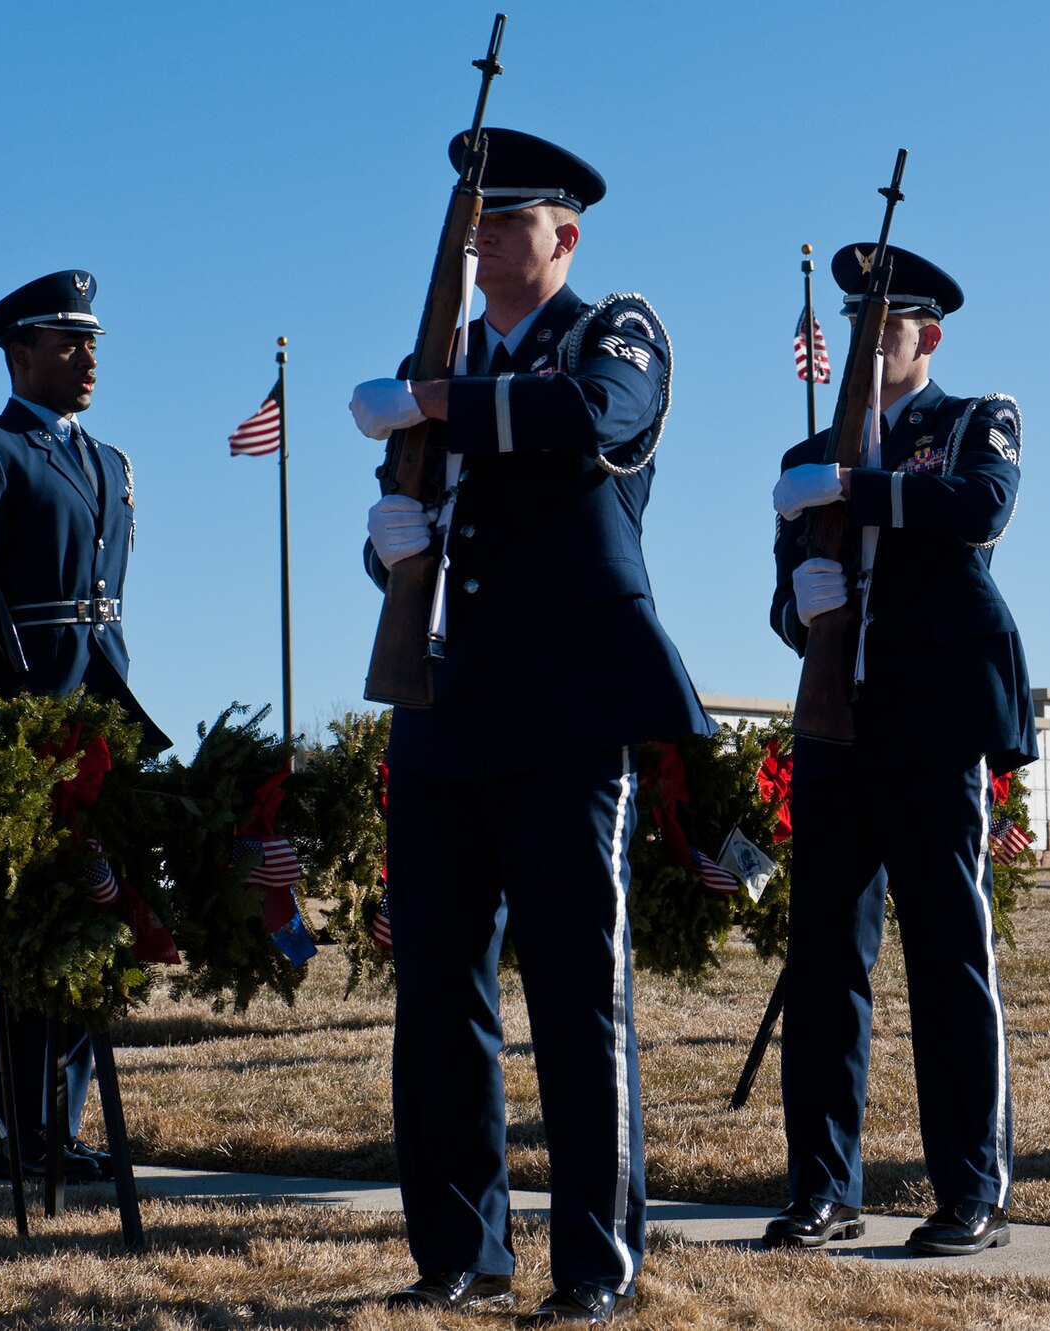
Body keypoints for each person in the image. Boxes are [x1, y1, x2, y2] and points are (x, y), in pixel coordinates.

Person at [348, 128, 711, 1327]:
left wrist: (435, 400)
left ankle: (594, 1265)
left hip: (565, 707)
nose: (487, 229)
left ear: (567, 232)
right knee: (440, 995)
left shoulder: (613, 326)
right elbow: (413, 521)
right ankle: (458, 1248)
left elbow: (591, 414)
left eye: (513, 214)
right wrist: (386, 541)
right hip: (445, 705)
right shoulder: (437, 358)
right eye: (477, 215)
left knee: (574, 988)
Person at [763, 244, 1036, 1256]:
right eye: (857, 326)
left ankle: (972, 1186)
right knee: (827, 958)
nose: (869, 344)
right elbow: (786, 590)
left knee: (948, 957)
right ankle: (822, 1187)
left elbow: (979, 507)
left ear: (928, 335)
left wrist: (857, 487)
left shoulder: (971, 417)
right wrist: (801, 604)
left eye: (889, 327)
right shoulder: (807, 453)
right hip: (836, 718)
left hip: (935, 718)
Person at [0, 269, 173, 1183]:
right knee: (24, 933)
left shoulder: (112, 462)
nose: (89, 357)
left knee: (93, 920)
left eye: (95, 342)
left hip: (101, 723)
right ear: (19, 353)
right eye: (69, 343)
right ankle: (10, 1136)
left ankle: (59, 1130)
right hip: (20, 731)